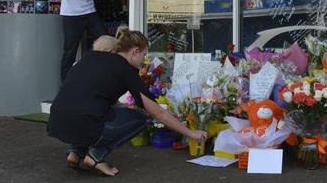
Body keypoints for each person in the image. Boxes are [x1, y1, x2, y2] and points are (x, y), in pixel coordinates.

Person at [48, 28, 208, 176]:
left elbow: (87, 96)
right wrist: (190, 133)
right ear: (135, 51)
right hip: (83, 122)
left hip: (56, 121)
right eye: (144, 55)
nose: (144, 60)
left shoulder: (92, 56)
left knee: (90, 112)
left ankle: (76, 153)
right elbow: (158, 113)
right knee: (139, 119)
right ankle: (95, 157)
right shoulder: (126, 70)